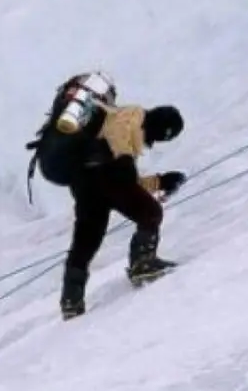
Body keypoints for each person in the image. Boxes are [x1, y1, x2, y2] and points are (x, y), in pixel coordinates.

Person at [24, 73, 187, 320]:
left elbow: (128, 181)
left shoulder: (108, 129)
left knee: (87, 238)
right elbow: (121, 145)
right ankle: (142, 263)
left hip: (84, 179)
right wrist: (123, 159)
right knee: (150, 212)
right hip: (106, 170)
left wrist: (159, 181)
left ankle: (71, 299)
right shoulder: (135, 115)